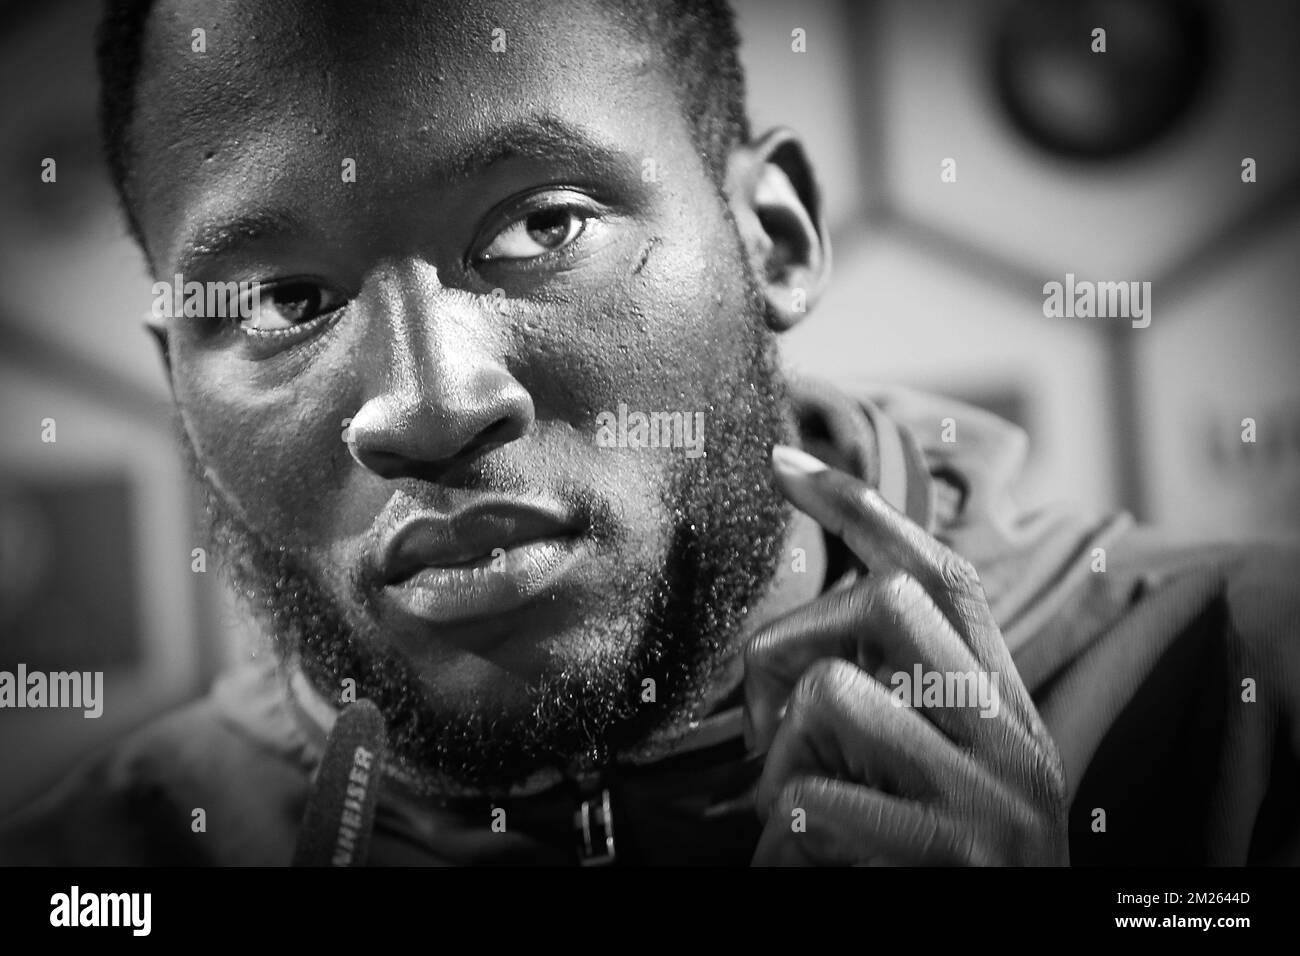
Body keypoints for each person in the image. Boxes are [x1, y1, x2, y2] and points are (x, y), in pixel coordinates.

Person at [2, 0, 1296, 866]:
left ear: (772, 237)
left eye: (542, 226)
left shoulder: (1259, 692)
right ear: (176, 381)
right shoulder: (99, 858)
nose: (434, 407)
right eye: (286, 301)